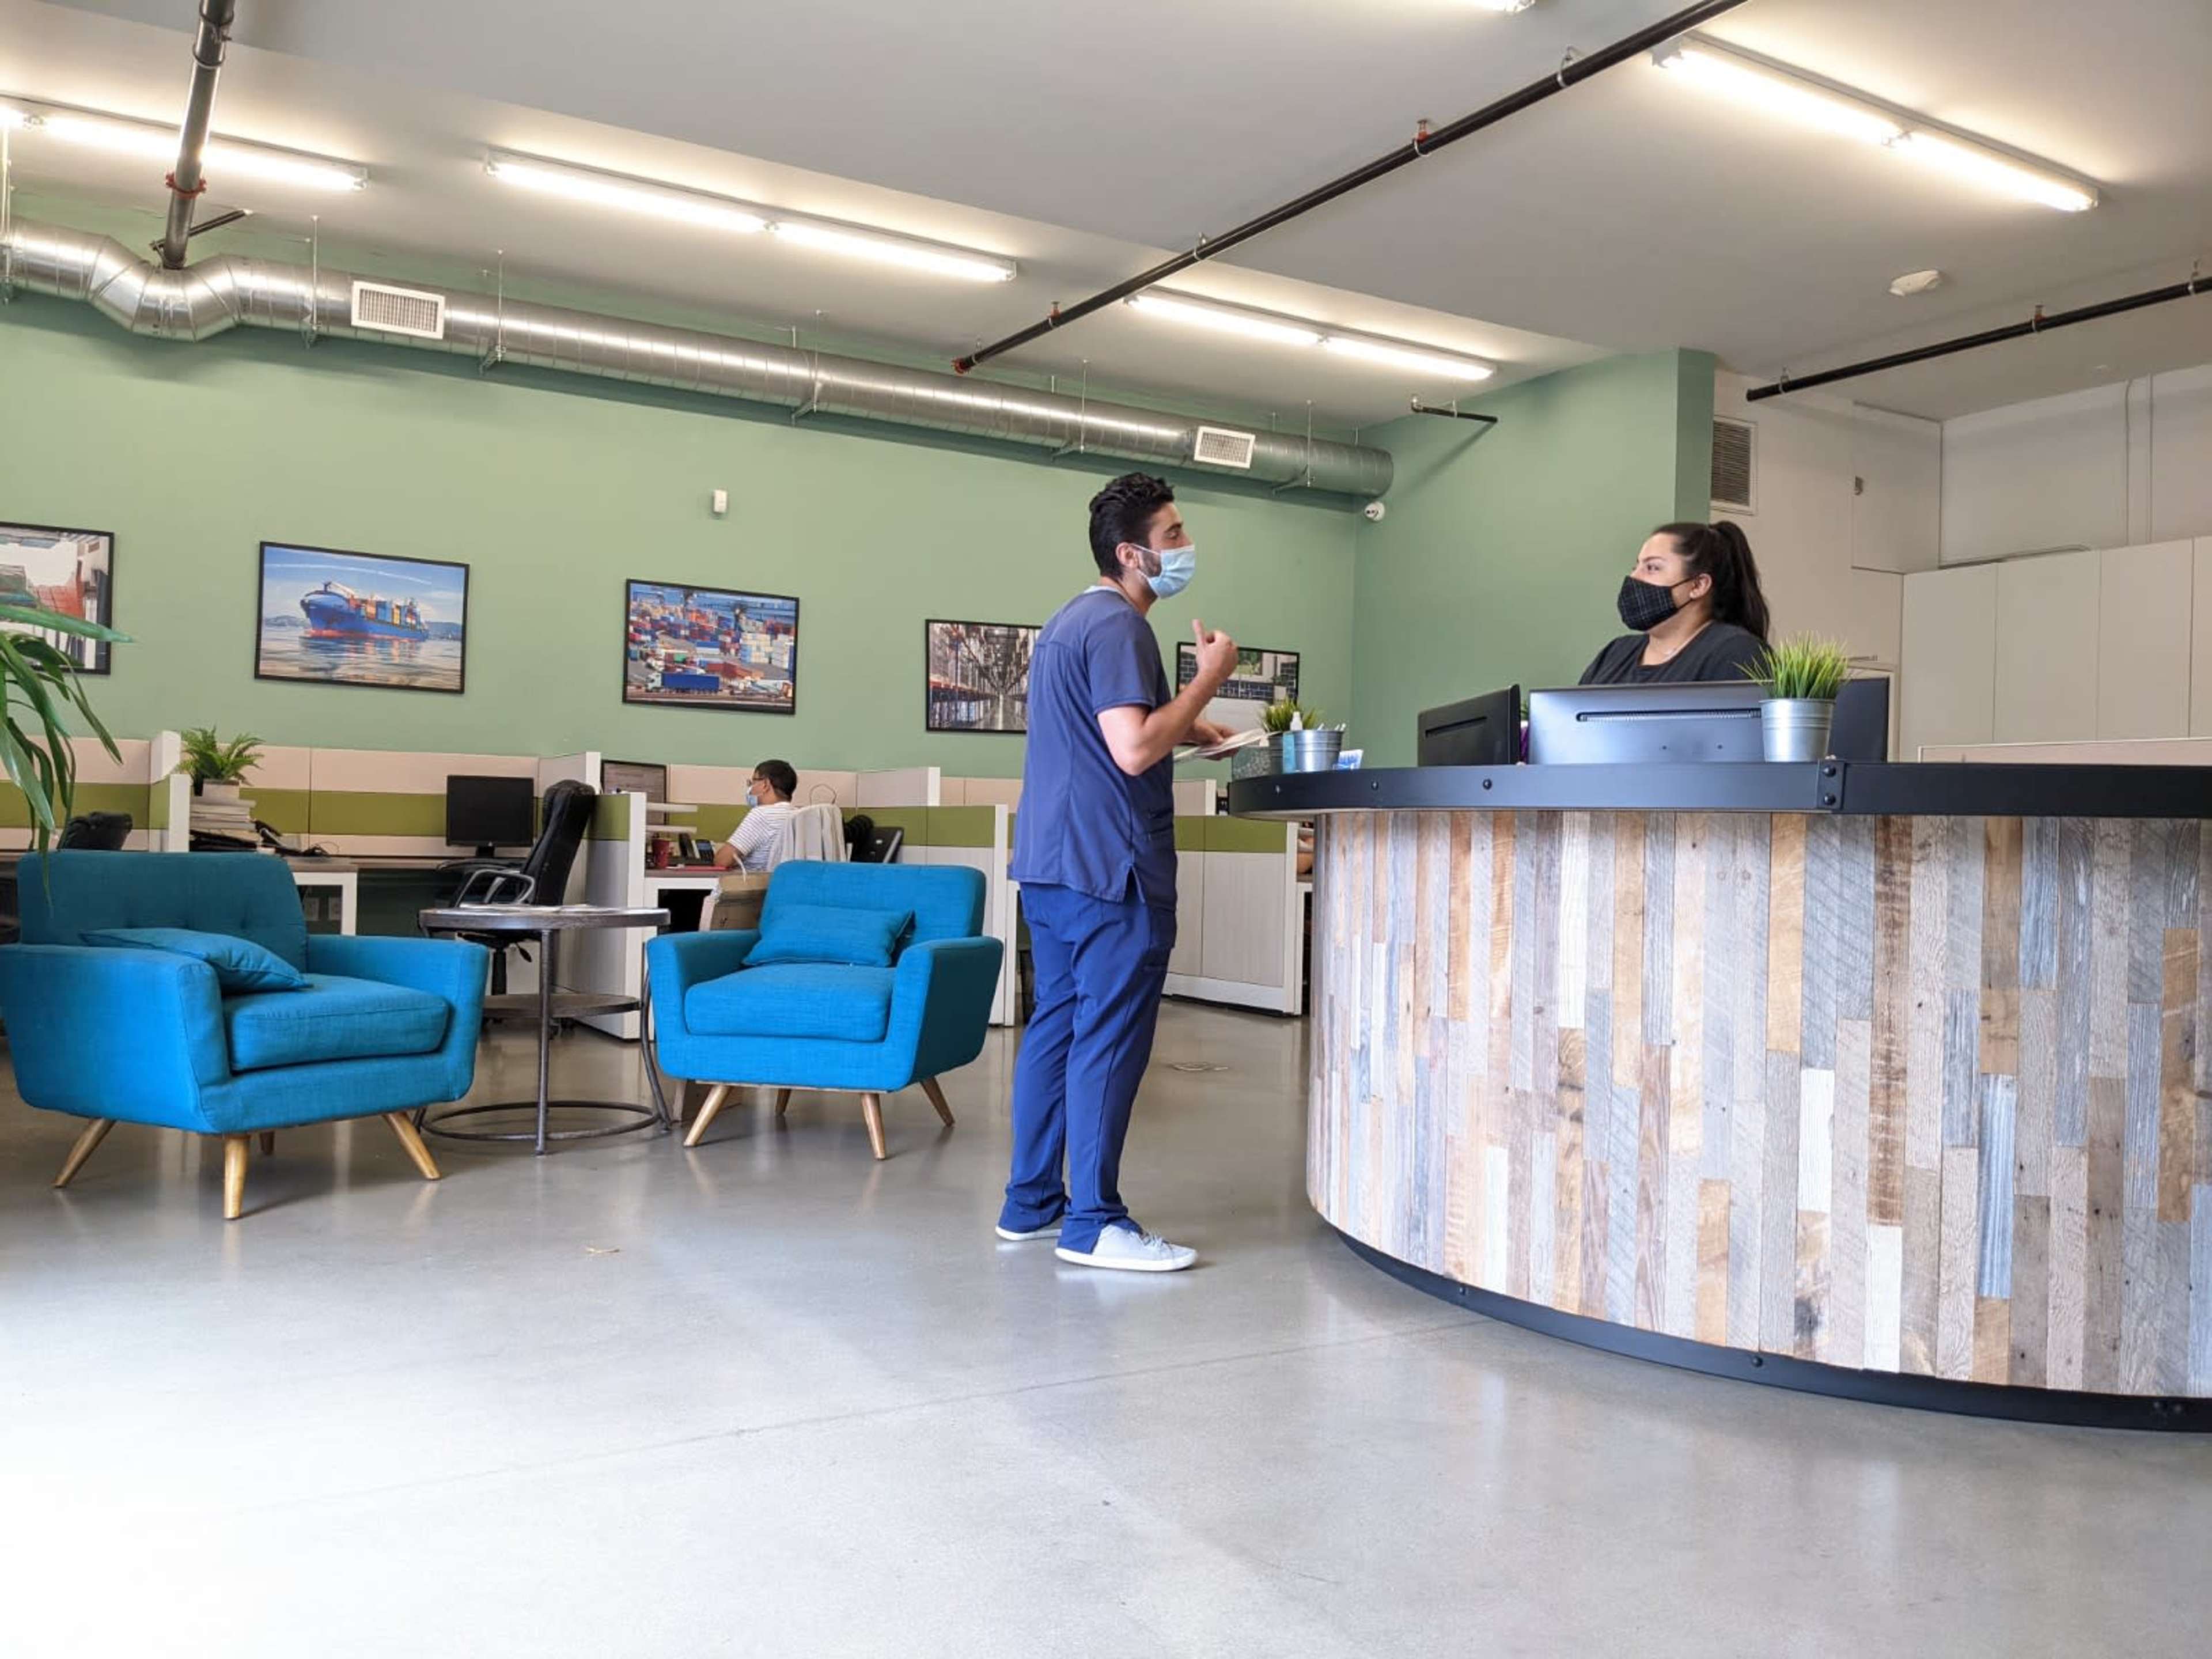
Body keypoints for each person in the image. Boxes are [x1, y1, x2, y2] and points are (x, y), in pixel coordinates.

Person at [998, 472, 1238, 1273]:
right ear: (1133, 554)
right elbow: (1132, 749)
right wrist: (1209, 675)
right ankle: (1094, 1222)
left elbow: (1114, 726)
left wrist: (1193, 723)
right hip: (1111, 871)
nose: (1185, 546)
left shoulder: (1072, 620)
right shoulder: (1123, 629)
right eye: (1173, 535)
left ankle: (1031, 1204)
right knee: (1108, 1039)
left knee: (1058, 1030)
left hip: (1054, 867)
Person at [1579, 520, 1771, 685]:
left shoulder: (1736, 653)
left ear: (1698, 585)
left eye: (1652, 567)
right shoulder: (1615, 654)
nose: (1634, 577)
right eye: (1635, 566)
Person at [714, 758, 800, 870]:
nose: (750, 789)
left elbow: (722, 861)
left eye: (753, 783)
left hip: (751, 886)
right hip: (781, 885)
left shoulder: (762, 814)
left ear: (765, 784)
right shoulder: (800, 816)